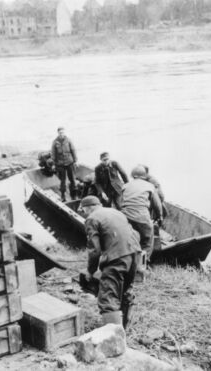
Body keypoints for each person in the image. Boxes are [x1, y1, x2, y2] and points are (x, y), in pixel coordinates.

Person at [81, 195, 141, 328]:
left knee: (108, 297)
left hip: (117, 258)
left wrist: (90, 271)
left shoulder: (92, 218)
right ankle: (124, 328)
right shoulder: (117, 212)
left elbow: (94, 250)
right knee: (125, 290)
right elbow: (135, 233)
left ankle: (114, 337)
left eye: (83, 210)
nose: (84, 213)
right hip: (134, 253)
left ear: (88, 208)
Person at [120, 165, 163, 259]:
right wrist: (160, 217)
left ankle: (128, 260)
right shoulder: (150, 186)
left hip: (125, 217)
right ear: (144, 176)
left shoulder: (125, 186)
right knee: (147, 241)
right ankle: (142, 265)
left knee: (127, 240)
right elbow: (157, 205)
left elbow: (121, 203)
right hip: (142, 217)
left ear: (133, 176)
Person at [51, 127, 77, 201]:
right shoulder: (55, 142)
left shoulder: (68, 140)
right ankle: (63, 195)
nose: (61, 134)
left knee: (72, 179)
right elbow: (53, 153)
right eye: (60, 132)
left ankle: (73, 194)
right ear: (58, 133)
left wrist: (75, 161)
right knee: (63, 180)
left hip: (69, 162)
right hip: (60, 164)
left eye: (62, 132)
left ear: (64, 132)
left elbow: (73, 150)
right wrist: (53, 164)